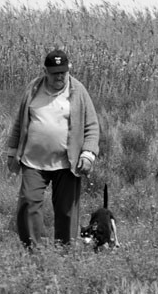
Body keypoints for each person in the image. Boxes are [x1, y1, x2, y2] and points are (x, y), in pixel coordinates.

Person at [7, 49, 100, 249]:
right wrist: (12, 151)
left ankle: (64, 254)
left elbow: (92, 126)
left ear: (69, 70)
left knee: (67, 212)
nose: (59, 76)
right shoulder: (33, 89)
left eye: (63, 72)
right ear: (45, 71)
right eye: (54, 72)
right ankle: (34, 253)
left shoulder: (78, 91)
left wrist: (88, 154)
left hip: (67, 162)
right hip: (34, 160)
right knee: (28, 204)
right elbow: (19, 123)